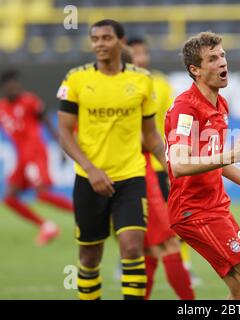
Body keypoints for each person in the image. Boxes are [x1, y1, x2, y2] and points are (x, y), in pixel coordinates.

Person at [164, 31, 240, 300]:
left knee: (239, 289)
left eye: (222, 56)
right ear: (195, 70)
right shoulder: (185, 109)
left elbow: (214, 161)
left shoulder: (220, 104)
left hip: (215, 206)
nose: (222, 63)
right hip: (193, 210)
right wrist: (231, 155)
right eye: (212, 58)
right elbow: (180, 164)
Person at [57, 19, 166, 300]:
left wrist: (171, 166)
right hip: (89, 179)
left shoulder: (141, 80)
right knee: (90, 256)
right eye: (95, 39)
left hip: (130, 177)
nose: (100, 44)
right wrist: (91, 169)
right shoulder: (76, 79)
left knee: (132, 248)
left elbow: (151, 135)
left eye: (106, 38)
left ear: (121, 41)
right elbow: (65, 134)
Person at [124, 40, 195, 300]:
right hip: (139, 171)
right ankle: (190, 301)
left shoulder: (161, 84)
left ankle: (185, 269)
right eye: (135, 53)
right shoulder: (123, 87)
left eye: (145, 52)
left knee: (155, 243)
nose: (141, 58)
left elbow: (170, 125)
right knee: (164, 240)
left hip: (159, 167)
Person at [0, 70, 73, 246]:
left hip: (35, 154)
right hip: (21, 158)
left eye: (16, 83)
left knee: (42, 194)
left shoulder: (29, 101)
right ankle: (47, 226)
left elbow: (47, 124)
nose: (14, 87)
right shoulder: (2, 107)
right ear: (4, 88)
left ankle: (87, 214)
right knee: (9, 198)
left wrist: (62, 149)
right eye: (10, 84)